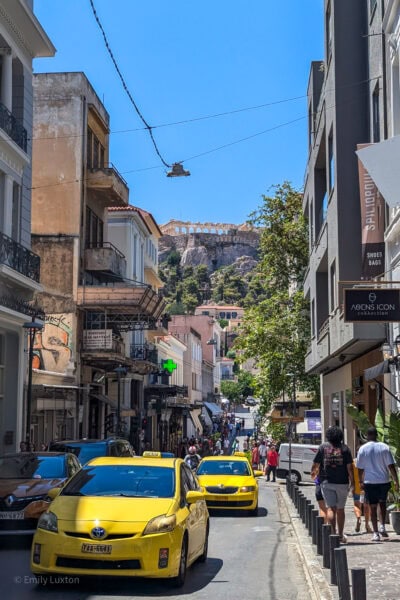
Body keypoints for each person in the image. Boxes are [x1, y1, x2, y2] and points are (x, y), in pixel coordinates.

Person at [312, 426, 354, 544]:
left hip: (326, 482)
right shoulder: (345, 449)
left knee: (331, 508)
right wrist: (353, 483)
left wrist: (314, 477)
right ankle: (340, 535)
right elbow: (349, 468)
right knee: (340, 509)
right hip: (342, 483)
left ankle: (333, 534)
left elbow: (315, 465)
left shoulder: (322, 447)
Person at [356, 426, 399, 541]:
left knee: (373, 507)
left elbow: (359, 468)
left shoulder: (362, 449)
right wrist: (396, 481)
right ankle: (382, 527)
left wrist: (360, 481)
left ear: (367, 435)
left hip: (369, 482)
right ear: (376, 435)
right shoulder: (384, 447)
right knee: (382, 504)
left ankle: (376, 533)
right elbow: (391, 466)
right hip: (384, 481)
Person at [352, 457, 372, 534]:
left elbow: (350, 475)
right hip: (366, 486)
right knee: (367, 506)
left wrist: (352, 485)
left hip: (357, 487)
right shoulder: (368, 461)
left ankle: (358, 518)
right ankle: (367, 525)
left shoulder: (353, 462)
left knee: (357, 505)